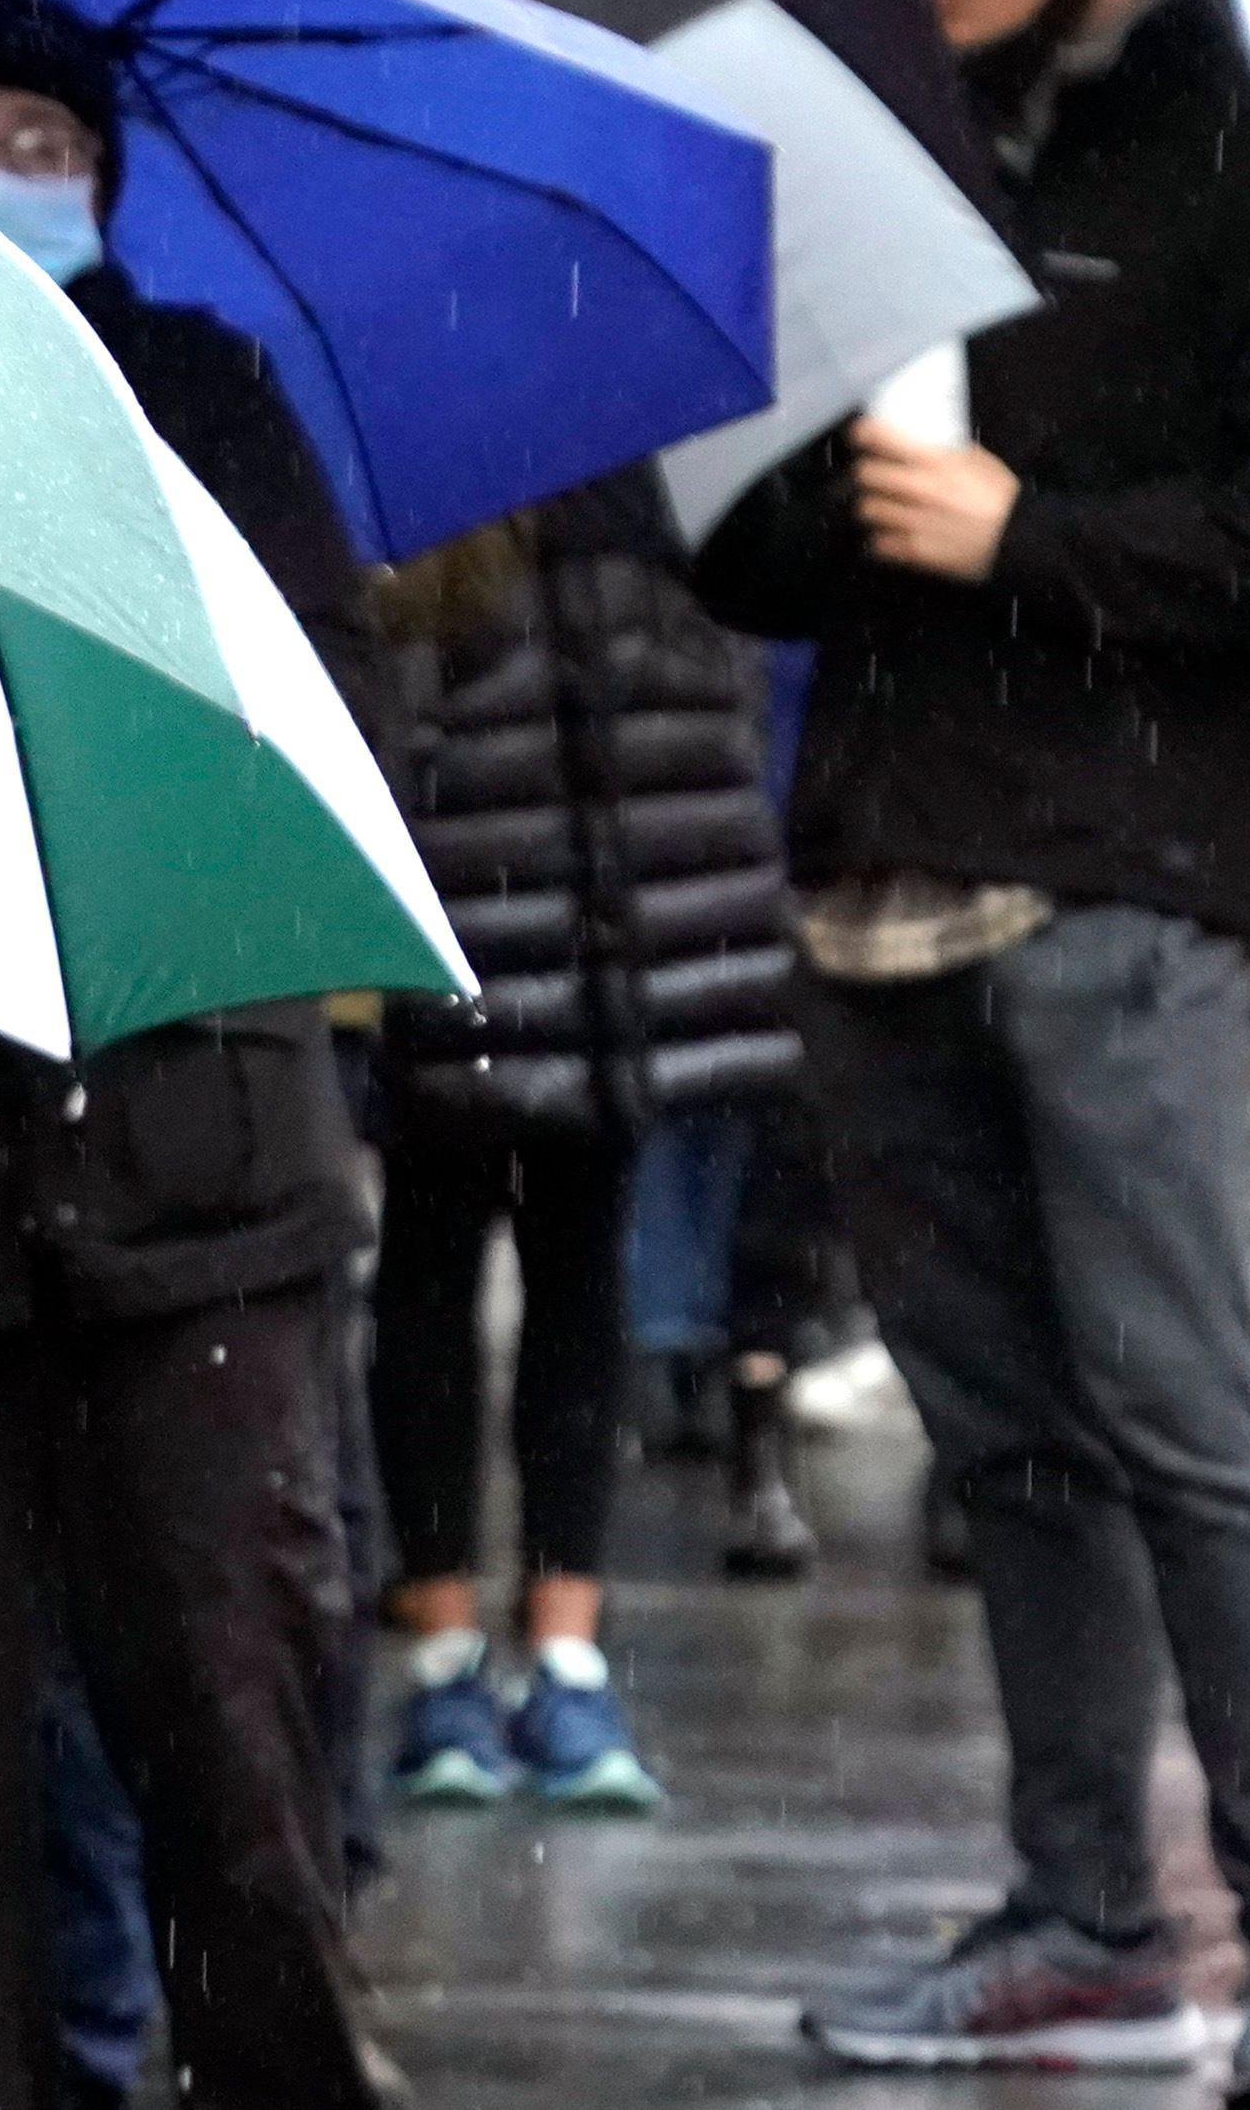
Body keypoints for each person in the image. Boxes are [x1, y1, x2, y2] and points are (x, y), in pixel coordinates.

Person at [691, 0, 1250, 2103]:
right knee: (999, 1432)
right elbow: (744, 549)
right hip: (883, 879)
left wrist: (1036, 536)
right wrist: (827, 483)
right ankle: (1079, 1914)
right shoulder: (896, 175)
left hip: (1121, 886)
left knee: (1174, 1415)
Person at [0, 0, 408, 2110]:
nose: (2, 157)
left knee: (233, 1758)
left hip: (194, 1182)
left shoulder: (208, 394)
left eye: (40, 125)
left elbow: (310, 737)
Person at [362, 471, 798, 1819]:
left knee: (570, 1275)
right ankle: (451, 1653)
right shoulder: (414, 466)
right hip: (462, 917)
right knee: (436, 1276)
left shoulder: (636, 465)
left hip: (603, 924)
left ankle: (558, 1643)